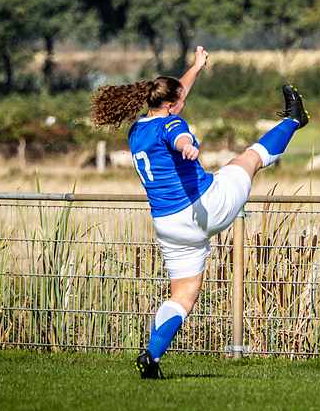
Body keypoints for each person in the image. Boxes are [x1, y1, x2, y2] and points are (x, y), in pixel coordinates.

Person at [89, 46, 308, 379]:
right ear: (173, 106)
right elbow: (177, 135)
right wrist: (187, 145)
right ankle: (294, 119)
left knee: (183, 297)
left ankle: (152, 356)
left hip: (168, 224)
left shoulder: (137, 130)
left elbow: (177, 95)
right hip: (205, 206)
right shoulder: (173, 125)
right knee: (247, 160)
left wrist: (196, 67)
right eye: (181, 102)